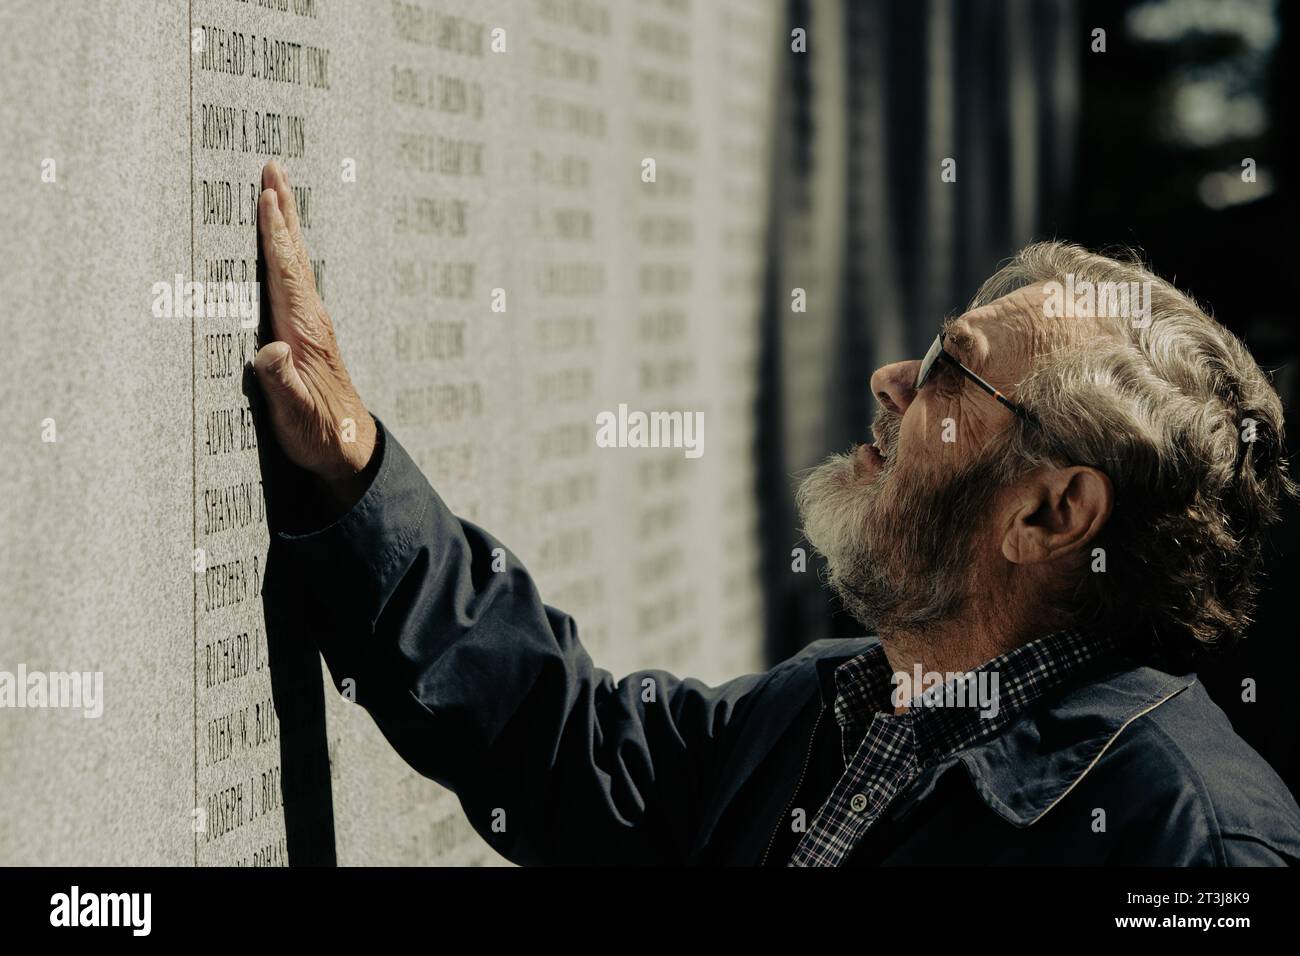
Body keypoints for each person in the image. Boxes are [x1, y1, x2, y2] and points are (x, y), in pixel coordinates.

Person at [251, 161, 1300, 865]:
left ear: (1048, 512)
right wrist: (354, 471)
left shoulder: (1191, 842)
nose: (893, 377)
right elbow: (564, 744)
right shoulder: (831, 708)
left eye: (950, 369)